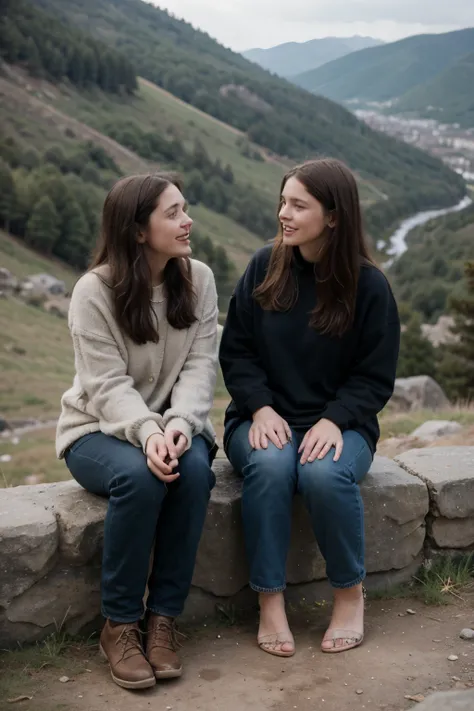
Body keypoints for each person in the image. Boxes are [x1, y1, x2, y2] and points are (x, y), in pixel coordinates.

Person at [219, 158, 400, 658]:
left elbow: (374, 376)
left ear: (335, 216)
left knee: (321, 474)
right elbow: (236, 351)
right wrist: (258, 408)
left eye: (298, 205)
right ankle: (270, 603)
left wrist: (334, 418)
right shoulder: (264, 266)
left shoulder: (369, 286)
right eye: (283, 201)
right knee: (274, 466)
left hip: (343, 424)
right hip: (261, 418)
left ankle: (348, 596)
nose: (284, 213)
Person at [56, 173, 219, 689]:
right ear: (138, 230)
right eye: (173, 213)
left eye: (184, 209)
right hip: (97, 430)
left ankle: (163, 619)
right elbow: (104, 386)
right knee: (142, 478)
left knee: (193, 473)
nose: (187, 220)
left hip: (177, 425)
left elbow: (199, 367)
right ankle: (120, 623)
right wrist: (147, 431)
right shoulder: (94, 291)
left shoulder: (199, 280)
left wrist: (177, 425)